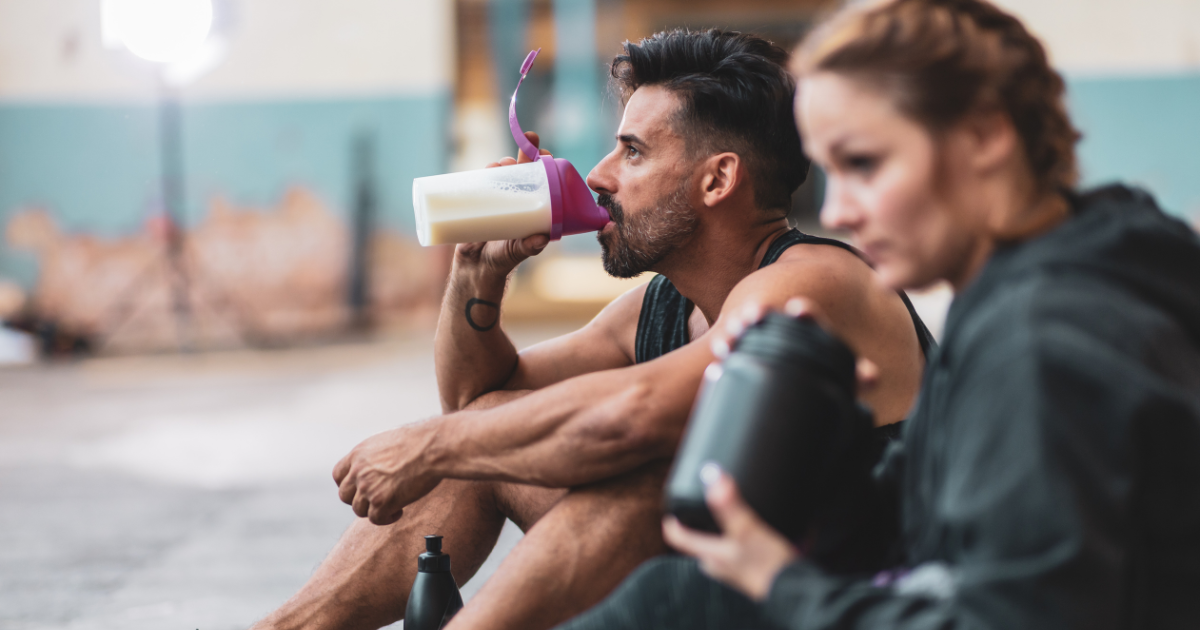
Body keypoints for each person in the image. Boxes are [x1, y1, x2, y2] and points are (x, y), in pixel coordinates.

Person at [252, 30, 933, 630]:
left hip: (844, 599)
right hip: (721, 578)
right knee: (486, 438)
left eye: (632, 153)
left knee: (635, 481)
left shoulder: (814, 281)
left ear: (718, 179)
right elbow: (479, 402)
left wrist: (430, 444)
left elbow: (632, 420)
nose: (601, 175)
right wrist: (476, 277)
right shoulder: (661, 306)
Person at [551, 1, 1200, 629]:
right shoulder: (1037, 280)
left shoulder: (1043, 336)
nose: (838, 214)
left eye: (864, 164)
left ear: (984, 138)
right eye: (833, 174)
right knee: (684, 591)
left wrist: (784, 586)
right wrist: (829, 438)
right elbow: (935, 526)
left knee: (684, 601)